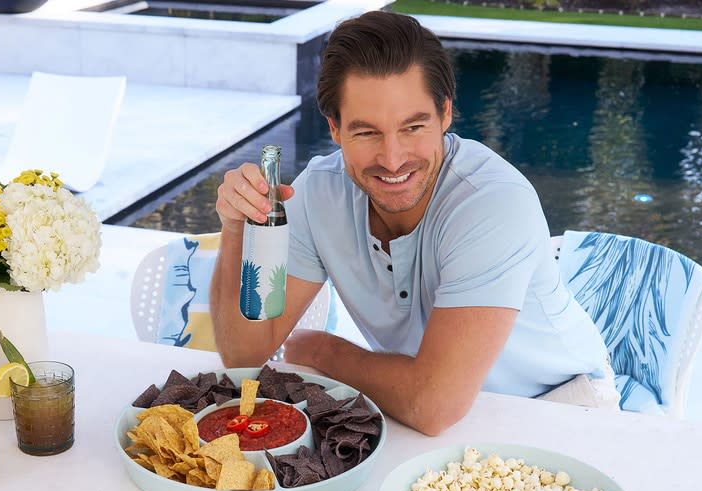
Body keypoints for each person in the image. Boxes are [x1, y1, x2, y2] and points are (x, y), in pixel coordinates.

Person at [211, 10, 618, 436]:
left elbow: (434, 404)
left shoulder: (492, 205)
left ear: (444, 114)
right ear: (334, 128)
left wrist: (325, 353)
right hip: (432, 413)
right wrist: (237, 229)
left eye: (413, 126)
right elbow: (244, 355)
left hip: (562, 408)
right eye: (367, 132)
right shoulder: (318, 195)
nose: (392, 159)